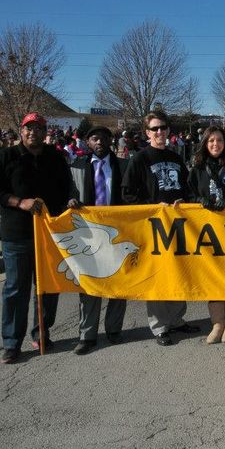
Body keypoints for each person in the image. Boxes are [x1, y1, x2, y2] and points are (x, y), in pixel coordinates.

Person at [122, 111, 200, 346]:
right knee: (158, 276)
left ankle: (177, 319)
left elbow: (187, 188)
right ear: (147, 133)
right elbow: (127, 193)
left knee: (178, 271)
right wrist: (152, 208)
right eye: (155, 129)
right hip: (153, 226)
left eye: (163, 128)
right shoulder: (139, 159)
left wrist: (185, 203)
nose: (160, 132)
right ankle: (159, 326)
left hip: (177, 224)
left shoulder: (175, 157)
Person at [0, 113, 73, 364]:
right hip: (16, 234)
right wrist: (19, 202)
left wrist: (70, 200)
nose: (33, 133)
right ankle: (11, 343)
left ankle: (41, 332)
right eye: (28, 128)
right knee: (15, 289)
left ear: (45, 132)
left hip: (49, 234)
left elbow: (67, 187)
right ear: (21, 131)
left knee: (46, 287)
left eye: (38, 128)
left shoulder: (55, 158)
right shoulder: (7, 156)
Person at [67, 126, 129, 355]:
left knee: (118, 282)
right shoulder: (76, 168)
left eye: (104, 137)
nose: (100, 141)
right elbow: (68, 192)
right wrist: (71, 200)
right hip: (88, 234)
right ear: (87, 142)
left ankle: (114, 330)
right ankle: (87, 335)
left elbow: (131, 195)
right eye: (95, 138)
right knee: (90, 284)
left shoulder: (124, 165)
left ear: (111, 141)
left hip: (117, 232)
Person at [188, 126, 225, 344]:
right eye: (211, 140)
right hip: (207, 235)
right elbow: (189, 194)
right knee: (212, 278)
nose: (215, 144)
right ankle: (217, 323)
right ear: (205, 143)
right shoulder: (196, 169)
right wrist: (198, 201)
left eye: (220, 140)